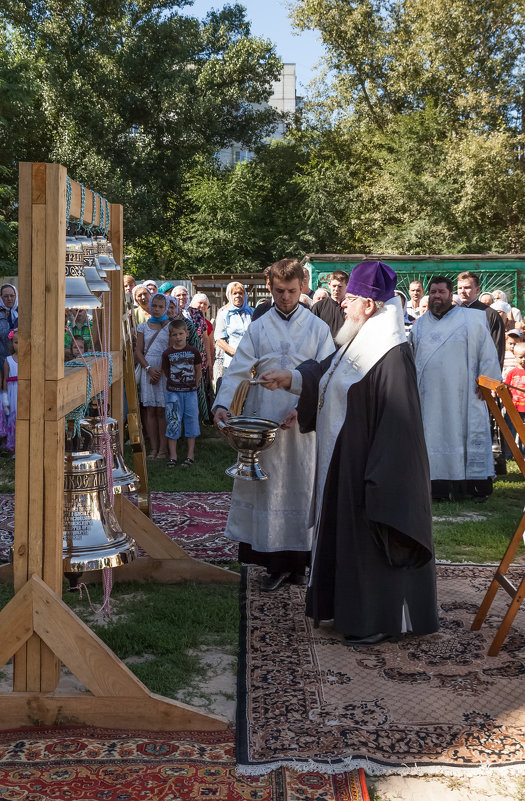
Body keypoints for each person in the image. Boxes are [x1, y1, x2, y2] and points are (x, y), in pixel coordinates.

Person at [259, 260, 438, 643]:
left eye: (351, 298)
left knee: (366, 539)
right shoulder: (361, 336)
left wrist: (378, 474)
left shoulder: (390, 353)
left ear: (369, 305)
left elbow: (399, 422)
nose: (342, 304)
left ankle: (373, 619)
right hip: (344, 460)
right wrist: (290, 378)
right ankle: (345, 609)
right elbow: (329, 371)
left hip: (368, 468)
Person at [213, 258, 333, 591]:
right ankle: (273, 561)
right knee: (268, 489)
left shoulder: (318, 328)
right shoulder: (259, 327)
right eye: (279, 291)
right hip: (262, 420)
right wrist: (223, 403)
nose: (285, 298)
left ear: (303, 287)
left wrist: (302, 404)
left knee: (300, 487)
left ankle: (299, 563)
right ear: (269, 287)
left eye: (292, 291)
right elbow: (237, 369)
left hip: (302, 421)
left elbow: (327, 376)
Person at [411, 276, 501, 502]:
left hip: (466, 392)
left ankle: (475, 488)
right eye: (433, 292)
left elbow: (487, 352)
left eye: (441, 292)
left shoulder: (472, 319)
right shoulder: (419, 325)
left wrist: (487, 382)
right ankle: (438, 488)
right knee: (432, 437)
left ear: (451, 295)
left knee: (467, 435)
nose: (437, 296)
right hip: (429, 395)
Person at [134, 292, 171, 459]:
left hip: (163, 371)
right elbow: (138, 351)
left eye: (160, 306)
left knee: (162, 411)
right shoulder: (142, 327)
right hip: (148, 370)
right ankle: (153, 448)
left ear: (166, 308)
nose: (157, 309)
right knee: (150, 410)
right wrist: (149, 368)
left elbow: (171, 350)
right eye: (154, 306)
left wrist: (161, 370)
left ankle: (163, 449)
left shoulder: (169, 327)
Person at [161, 319, 202, 467]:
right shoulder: (167, 353)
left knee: (191, 421)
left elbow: (198, 370)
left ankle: (190, 455)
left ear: (187, 333)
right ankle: (173, 456)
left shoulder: (193, 351)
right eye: (174, 334)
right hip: (173, 393)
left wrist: (194, 385)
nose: (178, 337)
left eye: (180, 333)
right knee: (173, 422)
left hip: (190, 393)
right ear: (170, 336)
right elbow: (166, 371)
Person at [456, 271, 506, 366]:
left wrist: (492, 377)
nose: (462, 291)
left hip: (482, 371)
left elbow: (498, 348)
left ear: (477, 289)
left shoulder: (491, 314)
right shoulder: (452, 314)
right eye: (459, 288)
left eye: (467, 287)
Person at [214, 282, 253, 375]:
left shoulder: (252, 312)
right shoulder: (224, 314)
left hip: (250, 361)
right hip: (231, 362)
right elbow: (219, 339)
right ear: (229, 296)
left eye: (240, 293)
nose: (238, 296)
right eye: (234, 293)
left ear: (245, 295)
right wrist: (235, 353)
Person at [503, 341, 525, 458]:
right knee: (511, 431)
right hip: (514, 407)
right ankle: (508, 453)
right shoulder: (512, 373)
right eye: (521, 357)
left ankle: (523, 453)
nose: (524, 359)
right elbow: (506, 389)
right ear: (515, 357)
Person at [311, 270, 348, 339]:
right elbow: (311, 331)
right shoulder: (318, 307)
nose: (336, 289)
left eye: (340, 286)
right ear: (329, 285)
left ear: (347, 286)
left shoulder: (351, 307)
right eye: (334, 286)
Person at [1, 329, 18, 452]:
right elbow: (5, 379)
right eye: (16, 342)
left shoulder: (29, 359)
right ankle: (13, 444)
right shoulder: (8, 360)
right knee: (13, 416)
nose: (19, 345)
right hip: (12, 392)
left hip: (24, 391)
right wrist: (5, 398)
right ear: (12, 343)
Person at [0, 284, 18, 375]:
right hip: (2, 363)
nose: (9, 299)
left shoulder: (20, 313)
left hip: (17, 363)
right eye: (5, 296)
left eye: (12, 295)